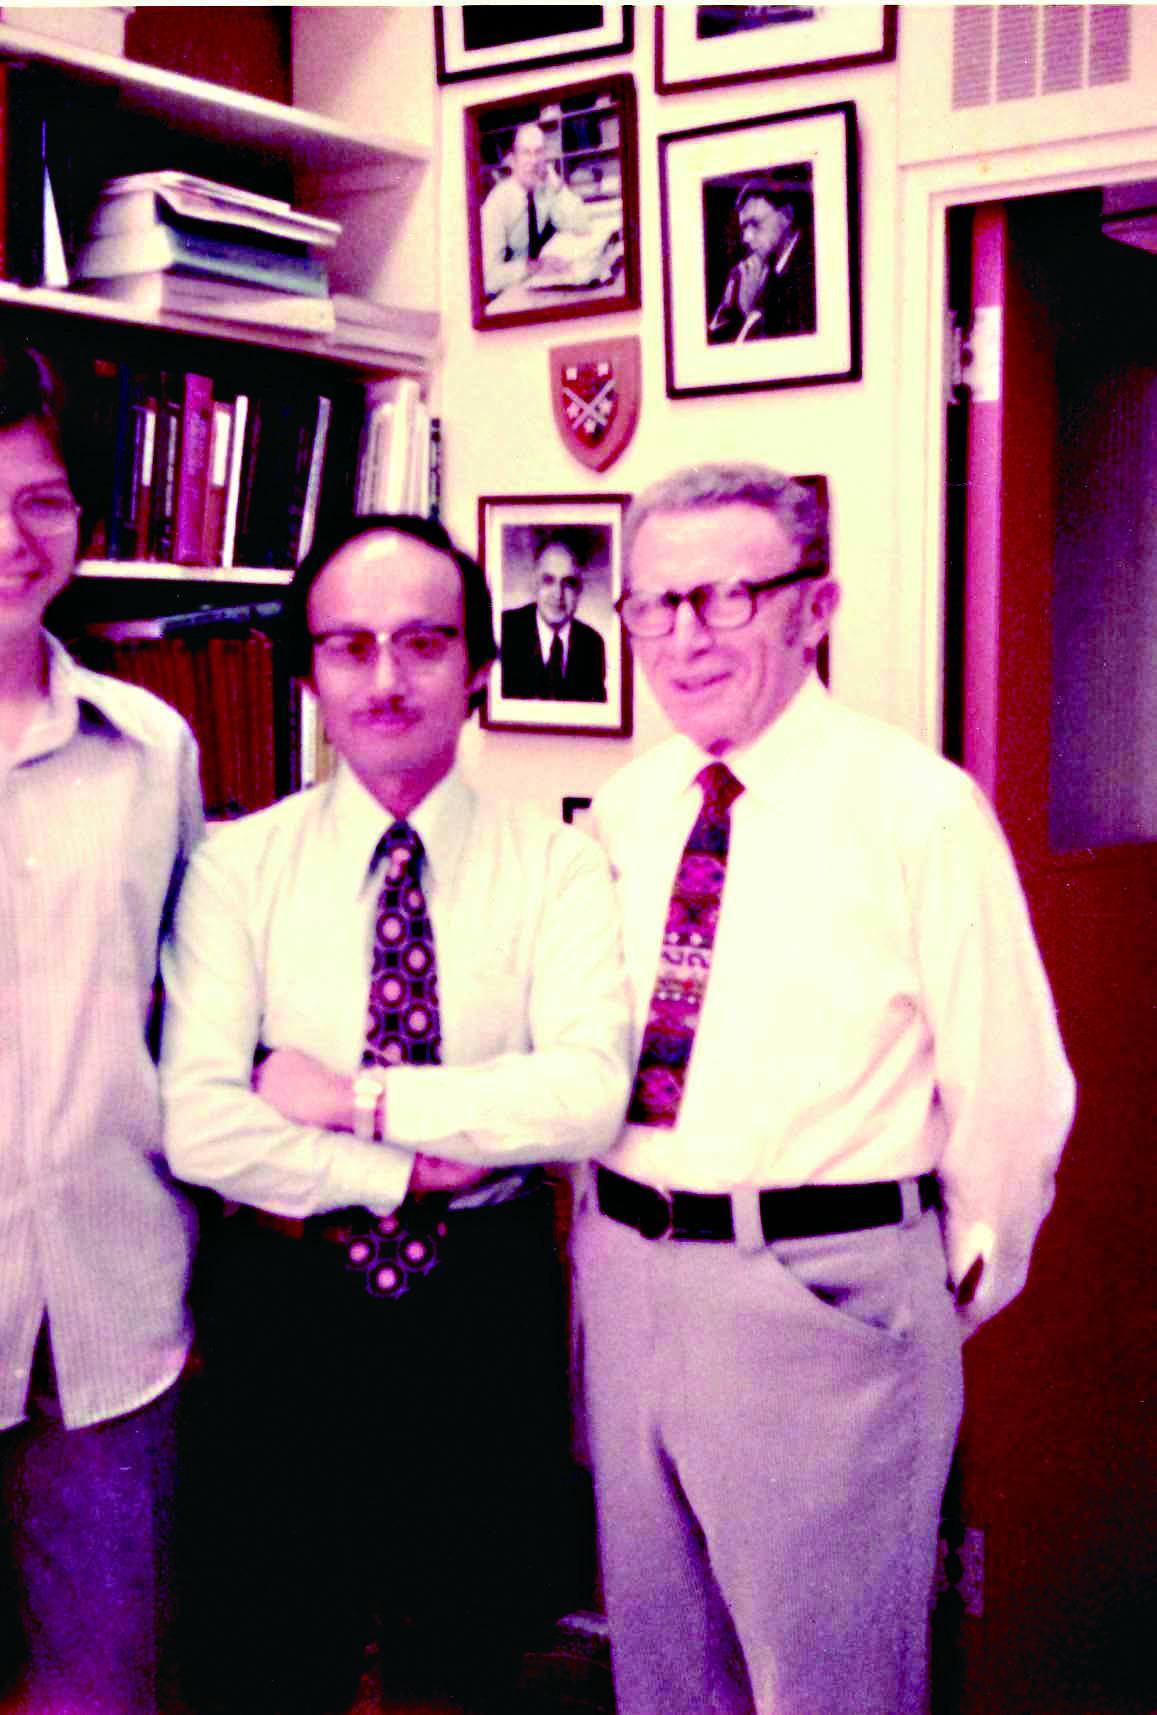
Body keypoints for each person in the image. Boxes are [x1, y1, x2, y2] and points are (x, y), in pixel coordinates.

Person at [573, 464, 1076, 1715]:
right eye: (652, 605)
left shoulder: (918, 810)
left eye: (725, 597)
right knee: (662, 1674)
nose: (684, 637)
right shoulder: (627, 808)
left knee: (826, 1688)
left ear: (816, 607)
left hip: (819, 1294)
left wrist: (920, 1295)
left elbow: (1011, 1088)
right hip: (628, 1277)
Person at [160, 513, 630, 1715]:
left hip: (483, 1309)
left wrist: (347, 1099)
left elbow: (582, 1093)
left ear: (477, 665)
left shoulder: (559, 865)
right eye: (349, 645)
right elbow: (203, 1125)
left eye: (422, 642)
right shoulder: (234, 867)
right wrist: (410, 1168)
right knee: (264, 1663)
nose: (385, 680)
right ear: (306, 674)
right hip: (283, 1309)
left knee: (464, 1663)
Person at [0, 343, 202, 1714]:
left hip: (112, 1320)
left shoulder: (153, 749)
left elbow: (190, 1013)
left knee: (98, 1689)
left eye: (44, 500)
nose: (16, 541)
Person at [481, 121, 591, 298]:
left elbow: (581, 226)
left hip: (537, 284)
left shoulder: (544, 189)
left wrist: (557, 185)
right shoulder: (496, 204)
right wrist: (535, 267)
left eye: (539, 152)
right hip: (506, 294)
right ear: (511, 160)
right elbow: (488, 279)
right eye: (526, 152)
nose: (534, 161)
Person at [501, 536, 607, 703]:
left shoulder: (592, 644)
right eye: (548, 580)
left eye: (569, 582)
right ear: (534, 584)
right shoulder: (506, 629)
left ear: (580, 589)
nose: (558, 594)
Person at [708, 182, 817, 344]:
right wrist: (726, 309)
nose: (746, 238)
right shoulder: (763, 269)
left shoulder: (812, 269)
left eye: (755, 224)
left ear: (786, 215)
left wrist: (751, 311)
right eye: (744, 228)